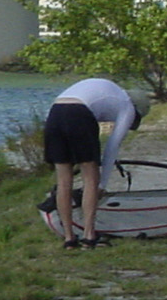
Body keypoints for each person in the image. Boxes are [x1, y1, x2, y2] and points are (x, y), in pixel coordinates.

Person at [44, 78, 149, 248]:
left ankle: (69, 238)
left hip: (55, 112)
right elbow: (112, 147)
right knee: (91, 177)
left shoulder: (112, 93)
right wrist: (102, 184)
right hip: (79, 114)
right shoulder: (127, 106)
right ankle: (89, 236)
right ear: (137, 110)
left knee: (63, 182)